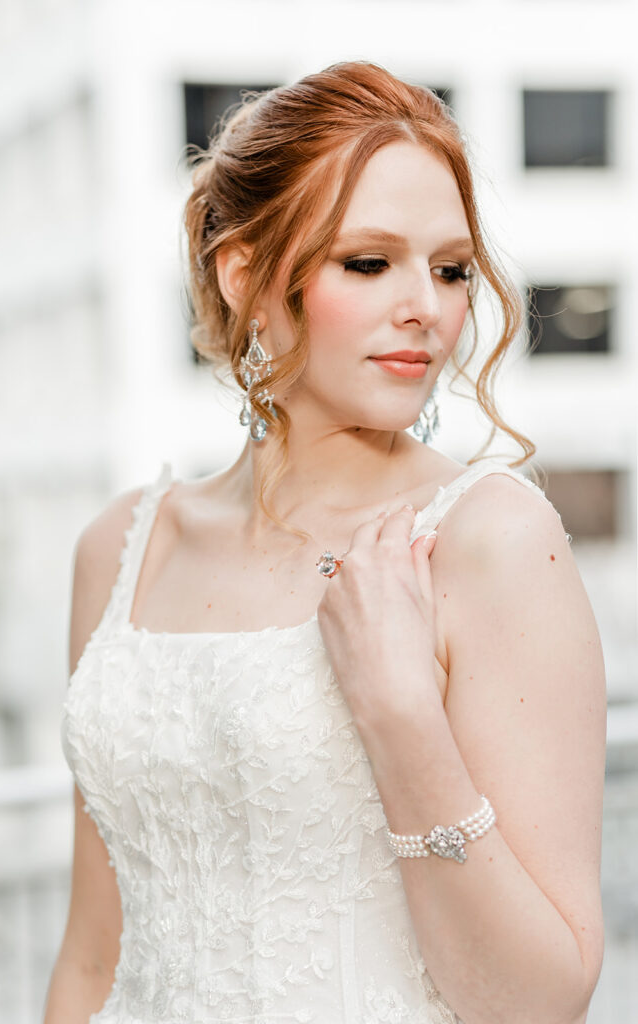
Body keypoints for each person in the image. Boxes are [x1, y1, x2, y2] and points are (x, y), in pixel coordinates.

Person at [44, 62, 606, 1024]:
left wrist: (399, 715)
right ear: (246, 277)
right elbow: (93, 956)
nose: (425, 306)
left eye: (450, 269)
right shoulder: (121, 548)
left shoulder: (491, 542)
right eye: (368, 262)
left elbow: (543, 1002)